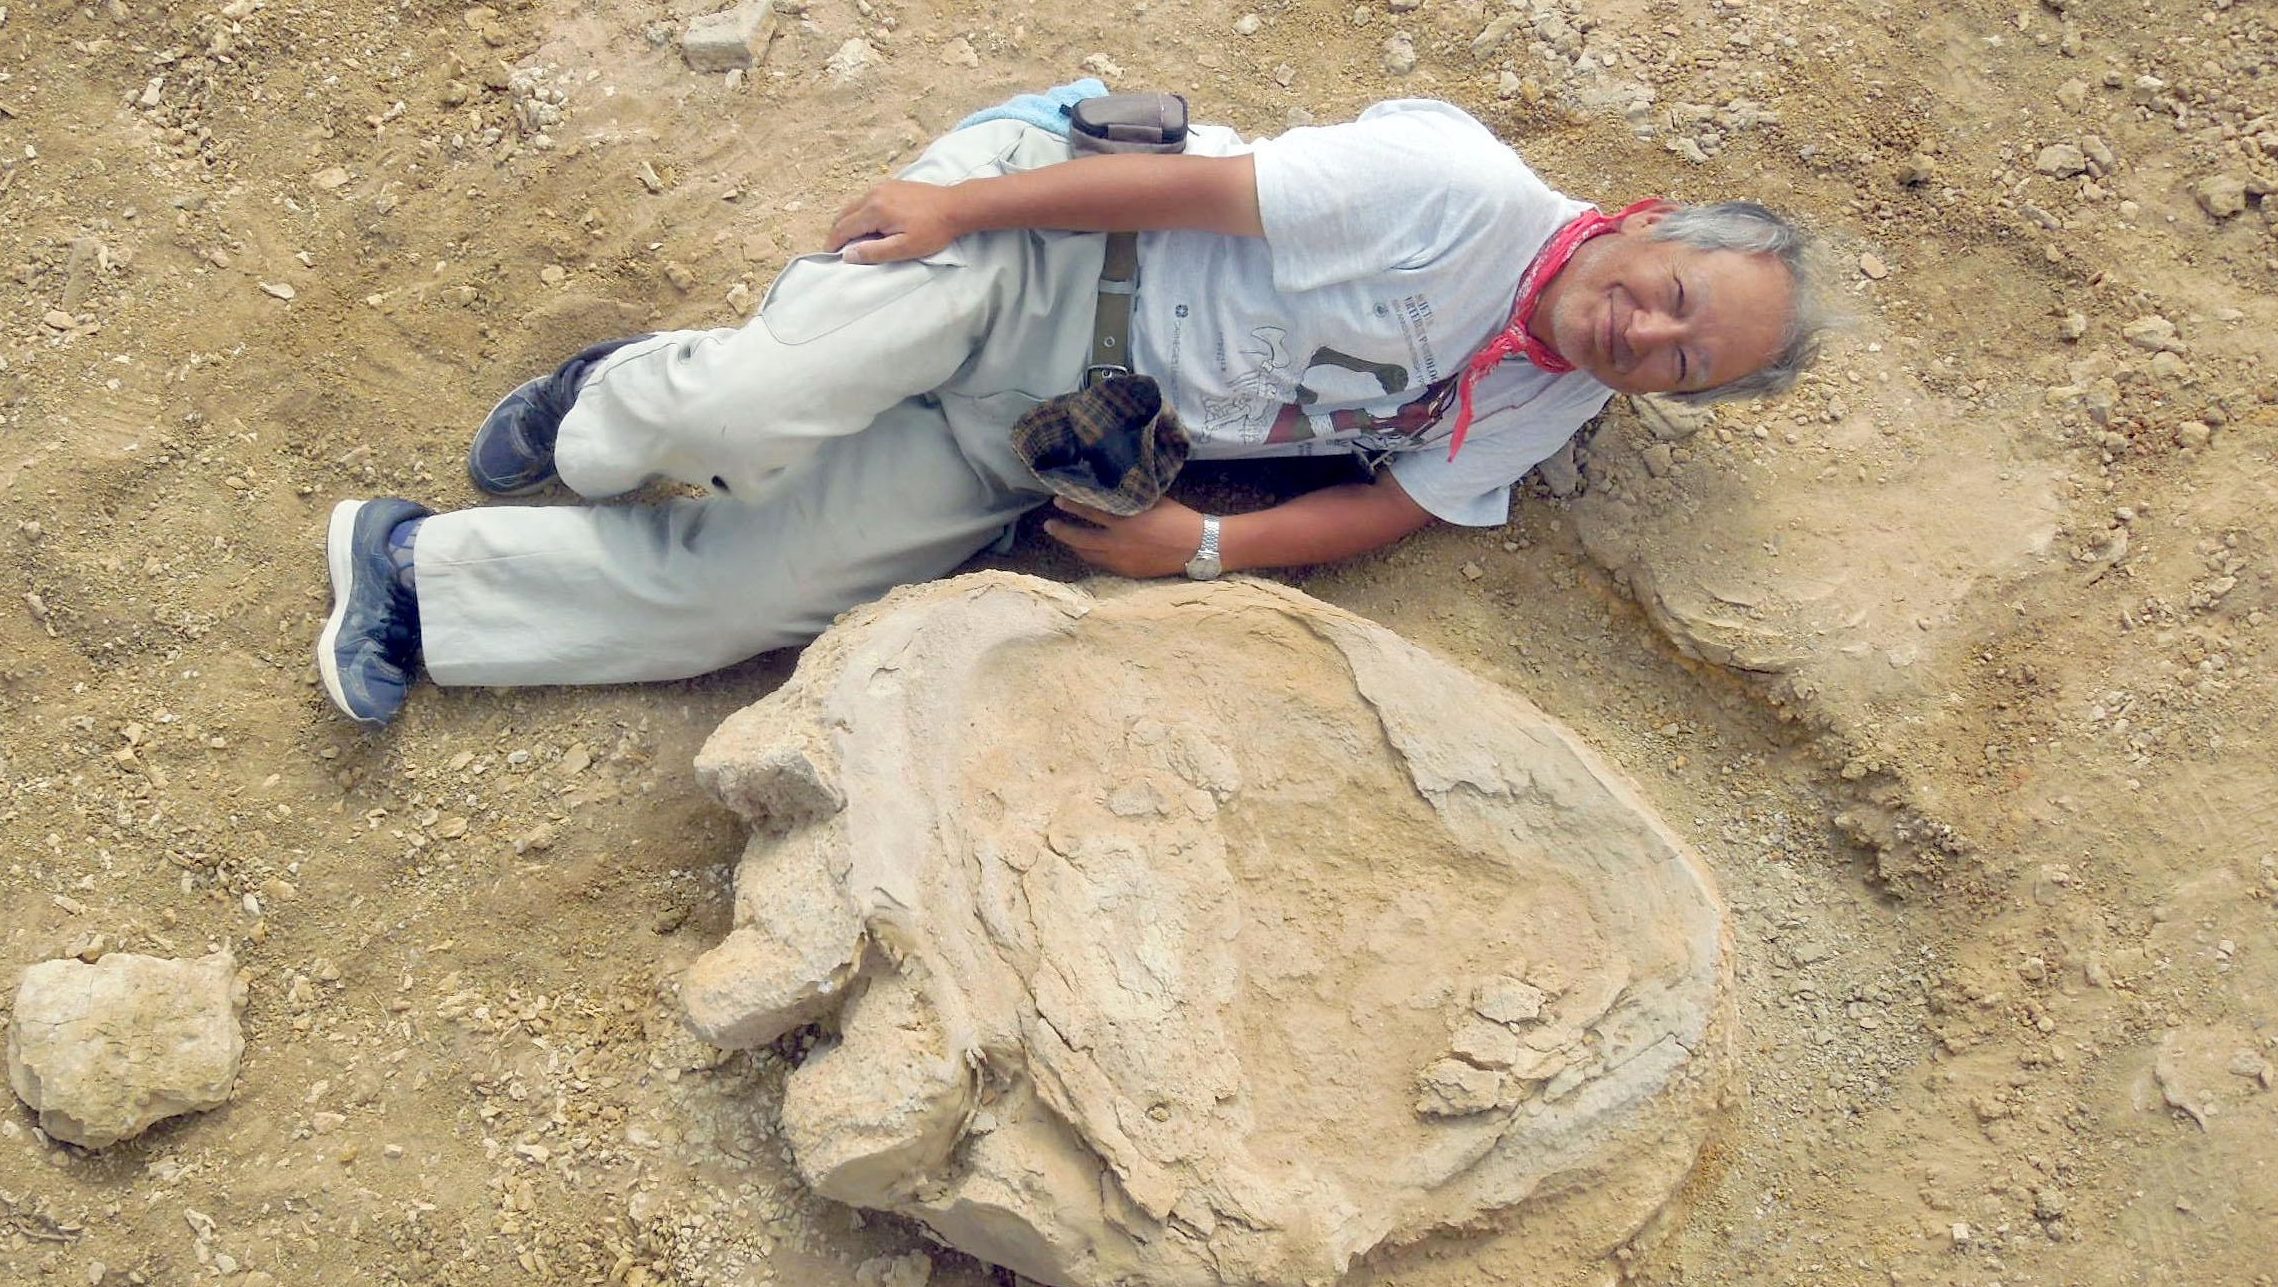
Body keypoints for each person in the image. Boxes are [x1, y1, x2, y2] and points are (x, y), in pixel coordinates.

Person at [317, 97, 1825, 727]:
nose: (1645, 335)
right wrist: (958, 205)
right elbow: (1188, 188)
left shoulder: (1549, 398)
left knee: (759, 596)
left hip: (1054, 430)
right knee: (756, 405)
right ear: (1646, 222)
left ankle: (413, 584)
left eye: (1682, 362)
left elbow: (1404, 503)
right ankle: (599, 404)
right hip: (1040, 250)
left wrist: (1203, 550)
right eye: (1671, 294)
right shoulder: (1462, 192)